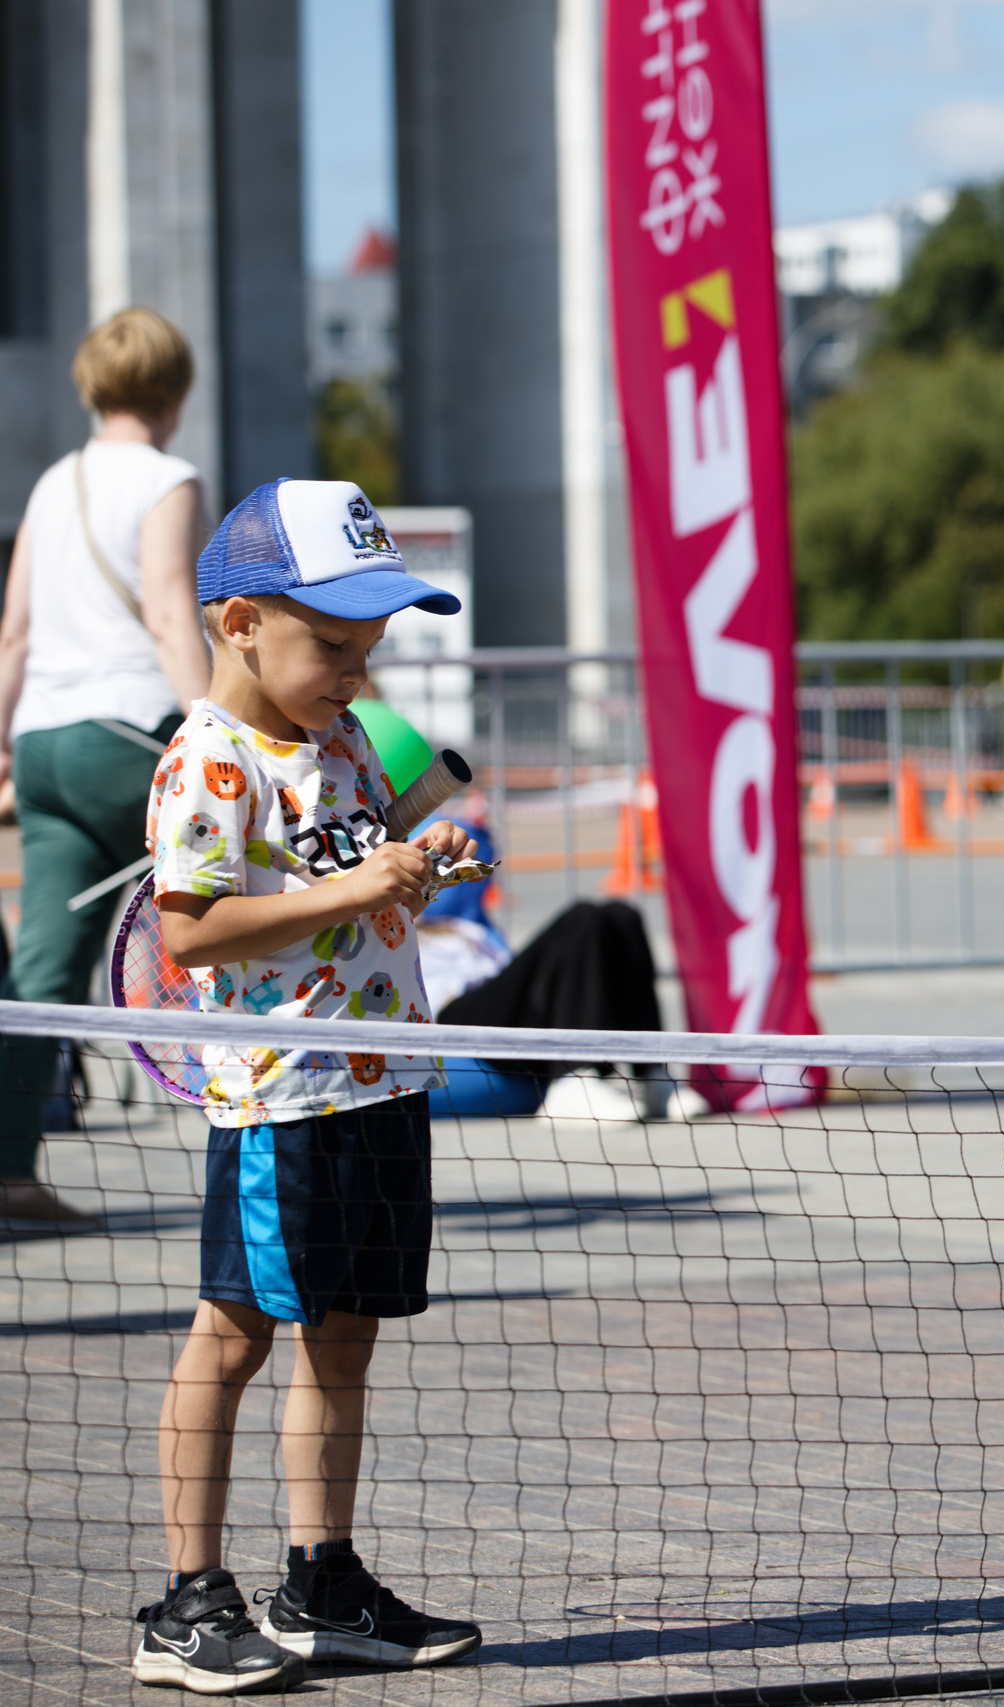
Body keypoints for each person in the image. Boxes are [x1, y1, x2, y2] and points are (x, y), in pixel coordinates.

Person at [132, 478, 483, 1693]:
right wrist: (356, 890)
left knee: (345, 1341)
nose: (354, 671)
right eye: (333, 644)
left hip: (378, 1083)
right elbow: (193, 932)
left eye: (370, 647)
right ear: (239, 625)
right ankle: (186, 1602)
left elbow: (337, 880)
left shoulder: (332, 740)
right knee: (230, 1338)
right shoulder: (209, 761)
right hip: (283, 1100)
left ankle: (322, 1582)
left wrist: (412, 863)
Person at [0, 308, 214, 1224]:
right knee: (248, 894)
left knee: (41, 971)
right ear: (175, 388)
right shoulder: (169, 478)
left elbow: (13, 632)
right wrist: (217, 733)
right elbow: (172, 613)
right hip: (127, 731)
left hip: (44, 744)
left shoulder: (55, 482)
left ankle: (9, 1166)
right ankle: (288, 1132)